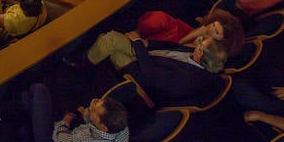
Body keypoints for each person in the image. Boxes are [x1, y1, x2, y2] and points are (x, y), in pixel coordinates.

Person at [85, 29, 227, 105]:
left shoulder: (189, 78)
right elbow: (172, 47)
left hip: (140, 72)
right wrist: (147, 43)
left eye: (201, 43)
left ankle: (83, 65)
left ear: (200, 53)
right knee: (108, 38)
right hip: (149, 55)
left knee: (109, 40)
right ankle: (95, 58)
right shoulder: (203, 60)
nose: (198, 41)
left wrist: (137, 42)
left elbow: (150, 74)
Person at [20, 83, 129, 142]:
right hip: (73, 138)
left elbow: (58, 136)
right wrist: (88, 116)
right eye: (98, 101)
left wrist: (65, 122)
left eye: (94, 110)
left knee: (39, 90)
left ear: (104, 127)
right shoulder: (123, 130)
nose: (93, 103)